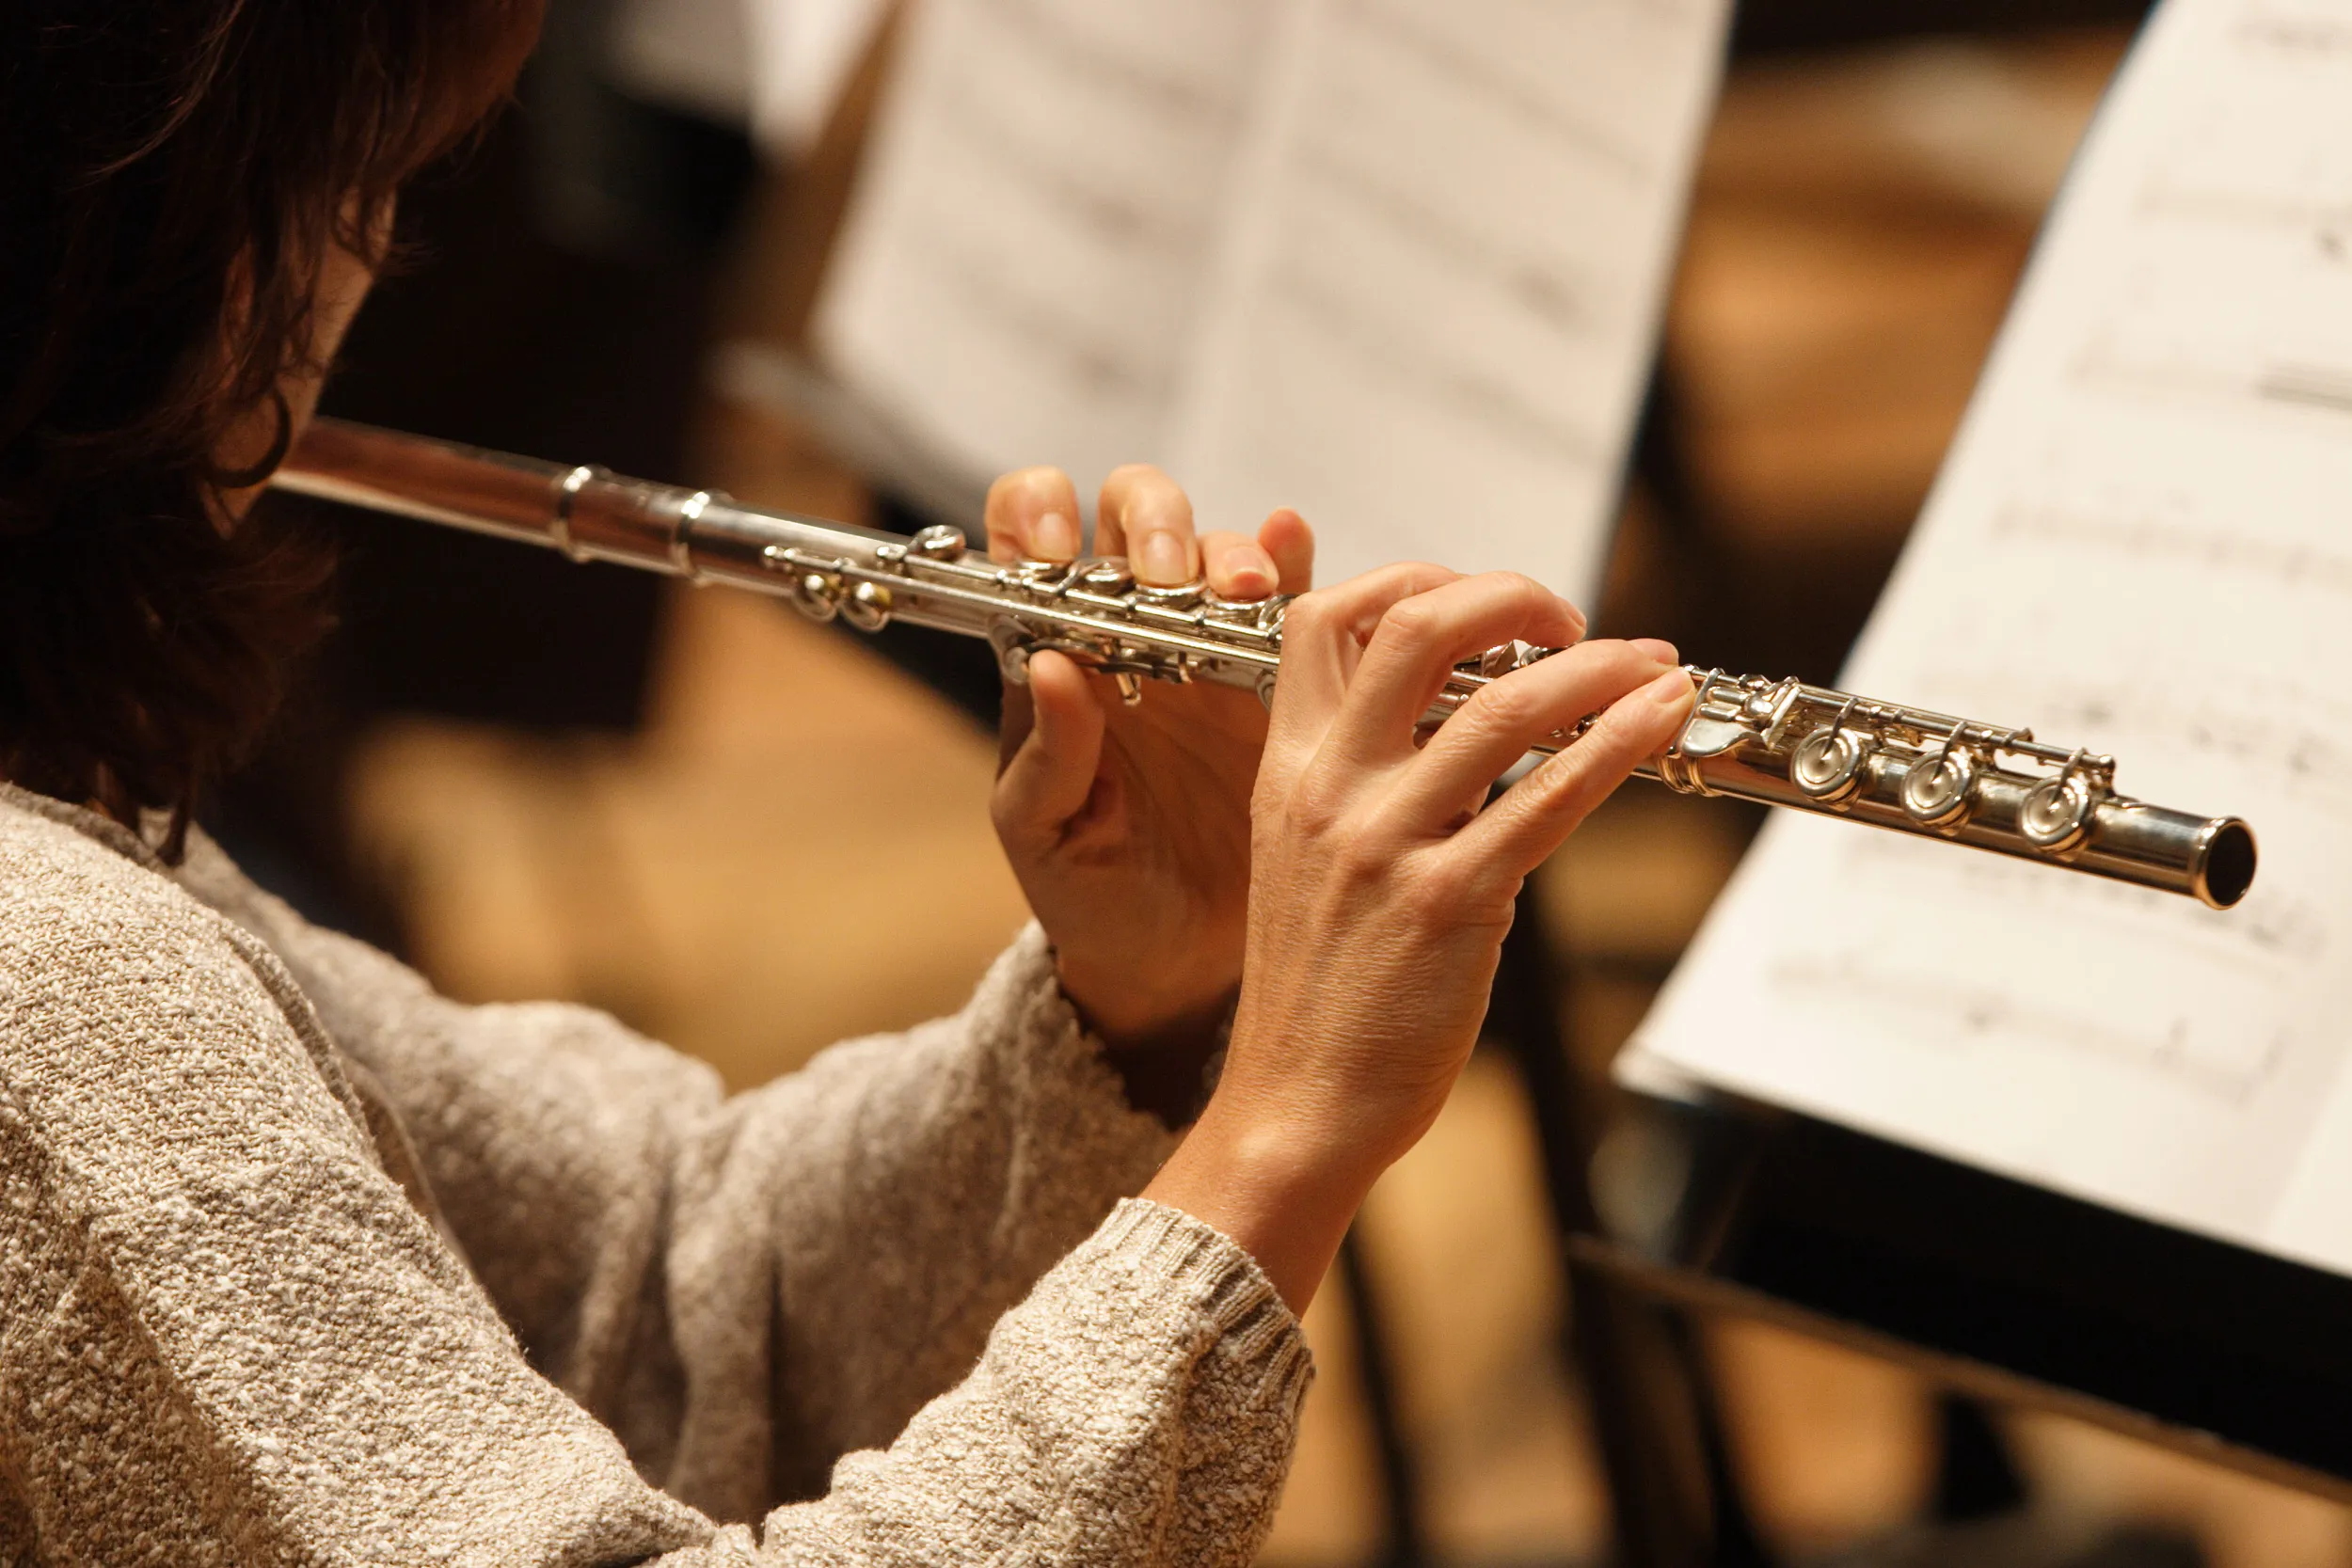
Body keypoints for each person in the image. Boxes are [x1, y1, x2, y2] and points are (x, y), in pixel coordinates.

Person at [0, 2, 1695, 1563]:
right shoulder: (58, 987)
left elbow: (658, 1299)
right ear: (141, 246)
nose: (361, 282)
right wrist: (1272, 1151)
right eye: (344, 192)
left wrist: (1144, 1012)